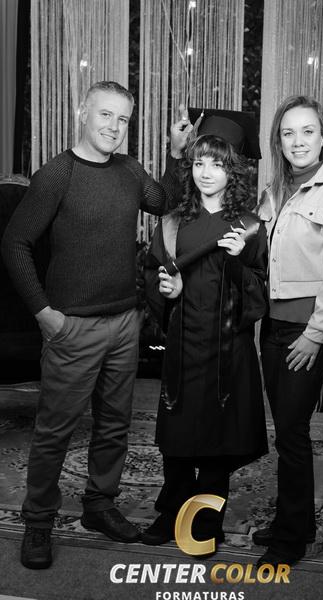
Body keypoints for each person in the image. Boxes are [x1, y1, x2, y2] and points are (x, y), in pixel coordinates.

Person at [1, 81, 186, 570]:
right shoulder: (57, 174)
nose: (114, 127)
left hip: (125, 321)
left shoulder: (129, 170)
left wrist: (175, 152)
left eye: (123, 119)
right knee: (54, 431)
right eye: (106, 115)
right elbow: (15, 244)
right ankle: (39, 520)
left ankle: (99, 505)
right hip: (72, 328)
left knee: (114, 425)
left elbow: (165, 200)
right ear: (83, 112)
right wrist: (44, 313)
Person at [142, 108, 269, 554]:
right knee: (178, 436)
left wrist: (238, 262)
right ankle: (171, 512)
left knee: (218, 441)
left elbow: (260, 293)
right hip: (183, 344)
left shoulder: (250, 226)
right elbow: (154, 280)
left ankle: (205, 524)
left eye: (217, 163)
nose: (206, 172)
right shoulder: (174, 222)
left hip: (228, 349)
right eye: (199, 162)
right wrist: (168, 291)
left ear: (233, 170)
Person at [253, 95, 323, 567]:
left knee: (292, 432)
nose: (297, 141)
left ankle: (290, 540)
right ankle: (292, 522)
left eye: (307, 131)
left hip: (307, 331)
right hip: (272, 327)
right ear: (278, 141)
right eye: (288, 133)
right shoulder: (273, 192)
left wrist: (316, 334)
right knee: (284, 430)